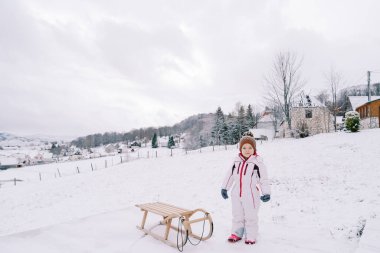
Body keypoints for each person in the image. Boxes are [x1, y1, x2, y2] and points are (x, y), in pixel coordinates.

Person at [221, 131, 271, 244]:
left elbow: (264, 179)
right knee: (237, 214)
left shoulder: (257, 163)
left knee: (250, 215)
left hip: (251, 195)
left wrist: (266, 193)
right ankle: (237, 233)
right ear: (240, 149)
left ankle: (251, 235)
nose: (247, 150)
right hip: (236, 193)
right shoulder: (236, 161)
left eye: (250, 147)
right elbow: (229, 175)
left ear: (254, 149)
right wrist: (225, 188)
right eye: (244, 147)